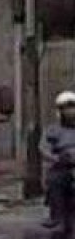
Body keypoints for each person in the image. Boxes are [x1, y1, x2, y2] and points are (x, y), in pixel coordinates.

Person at [42, 91, 75, 228]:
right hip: (62, 166)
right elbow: (44, 148)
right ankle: (56, 216)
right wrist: (54, 158)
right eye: (66, 108)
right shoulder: (53, 130)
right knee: (55, 180)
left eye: (72, 107)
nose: (70, 112)